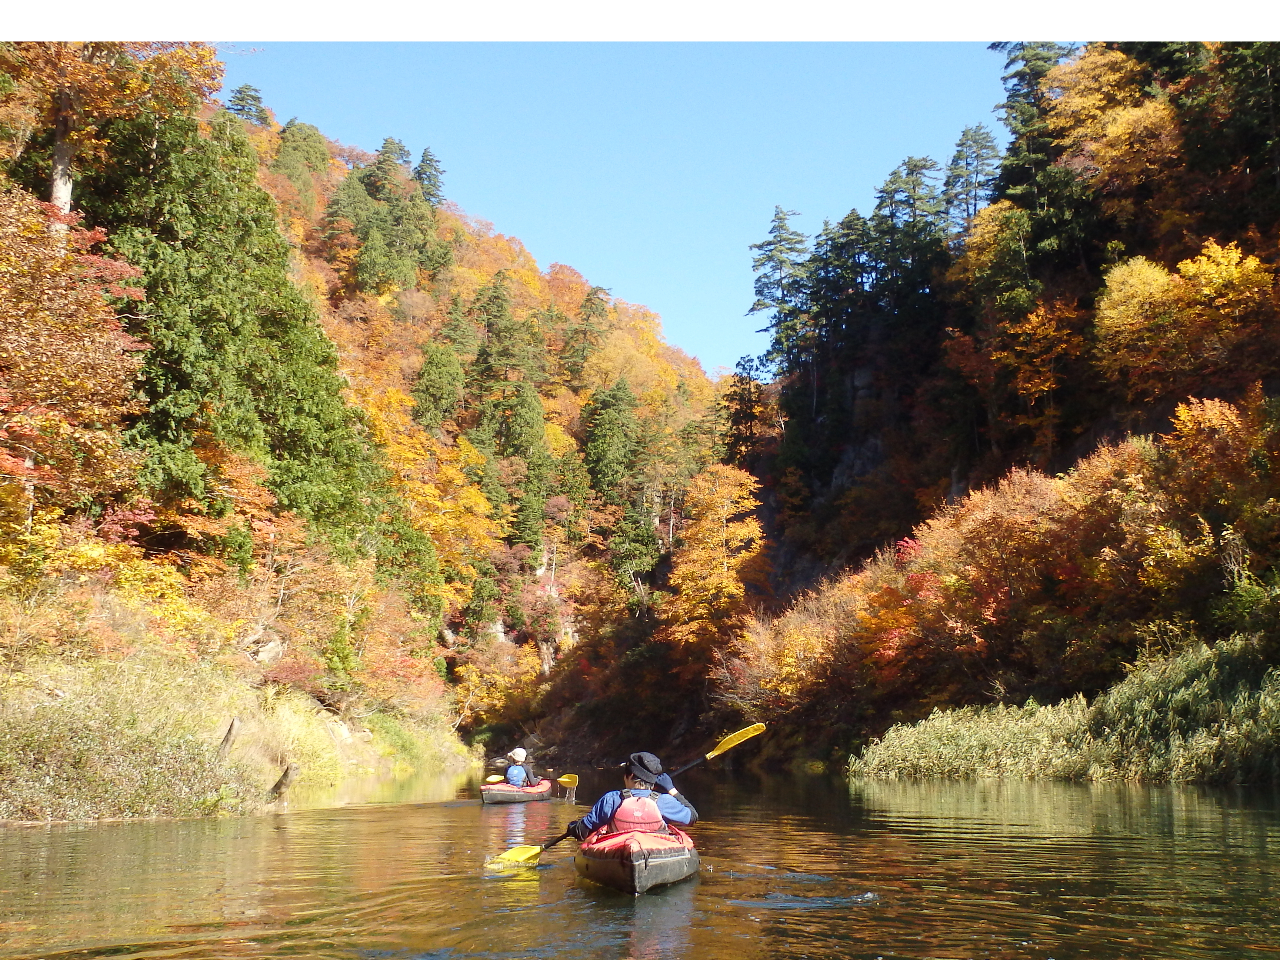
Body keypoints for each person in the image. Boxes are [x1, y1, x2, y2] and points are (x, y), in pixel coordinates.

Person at [567, 751, 697, 840]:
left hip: (618, 855)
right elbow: (692, 817)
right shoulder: (664, 801)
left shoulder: (612, 799)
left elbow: (582, 832)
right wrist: (671, 789)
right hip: (654, 853)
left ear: (630, 776)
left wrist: (573, 827)